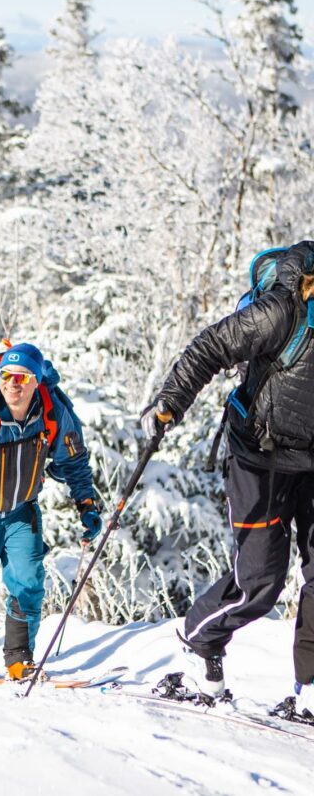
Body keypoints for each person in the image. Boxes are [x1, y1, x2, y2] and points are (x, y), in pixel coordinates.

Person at [141, 240, 314, 717]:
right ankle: (200, 645)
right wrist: (170, 401)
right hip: (260, 459)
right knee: (259, 581)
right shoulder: (282, 310)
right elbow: (211, 346)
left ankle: (311, 684)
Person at [0, 342, 102, 681]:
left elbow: (74, 461)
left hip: (21, 509)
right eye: (8, 376)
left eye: (23, 377)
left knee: (28, 583)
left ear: (36, 381)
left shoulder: (52, 413)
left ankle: (19, 659)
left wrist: (86, 504)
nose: (13, 384)